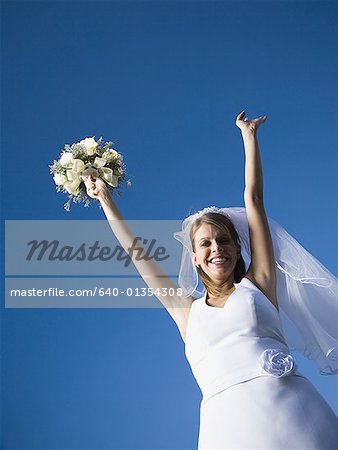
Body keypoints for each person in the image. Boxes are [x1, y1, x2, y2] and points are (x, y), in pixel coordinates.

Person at [84, 111, 338, 449]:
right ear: (194, 257)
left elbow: (255, 200)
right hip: (226, 426)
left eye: (224, 240)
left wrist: (249, 139)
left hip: (295, 413)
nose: (216, 248)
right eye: (205, 243)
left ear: (236, 247)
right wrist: (105, 200)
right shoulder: (185, 311)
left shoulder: (259, 283)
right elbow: (136, 253)